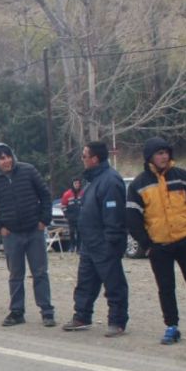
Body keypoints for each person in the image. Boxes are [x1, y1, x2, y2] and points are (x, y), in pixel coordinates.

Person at [0, 142, 55, 327]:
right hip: (11, 234)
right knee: (15, 275)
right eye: (1, 158)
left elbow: (45, 195)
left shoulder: (28, 171)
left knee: (40, 273)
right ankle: (17, 311)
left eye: (8, 156)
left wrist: (44, 220)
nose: (6, 161)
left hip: (34, 231)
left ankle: (47, 311)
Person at [61, 142, 129, 336]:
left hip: (104, 243)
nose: (82, 159)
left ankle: (117, 321)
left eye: (84, 156)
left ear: (94, 159)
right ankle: (82, 316)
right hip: (89, 243)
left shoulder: (110, 180)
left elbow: (113, 215)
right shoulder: (93, 181)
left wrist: (111, 241)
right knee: (85, 282)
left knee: (114, 284)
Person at [127, 137, 186, 344]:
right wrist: (147, 245)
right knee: (166, 287)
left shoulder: (181, 177)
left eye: (166, 152)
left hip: (185, 240)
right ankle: (171, 326)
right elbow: (132, 219)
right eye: (159, 153)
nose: (164, 156)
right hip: (158, 245)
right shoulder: (138, 184)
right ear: (150, 157)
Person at [61, 178, 84, 252]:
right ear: (73, 184)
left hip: (81, 217)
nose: (77, 185)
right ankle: (72, 246)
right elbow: (63, 206)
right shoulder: (67, 194)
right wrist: (66, 215)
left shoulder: (83, 193)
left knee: (80, 232)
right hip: (71, 217)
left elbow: (86, 204)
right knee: (72, 232)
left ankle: (79, 248)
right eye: (75, 183)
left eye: (78, 183)